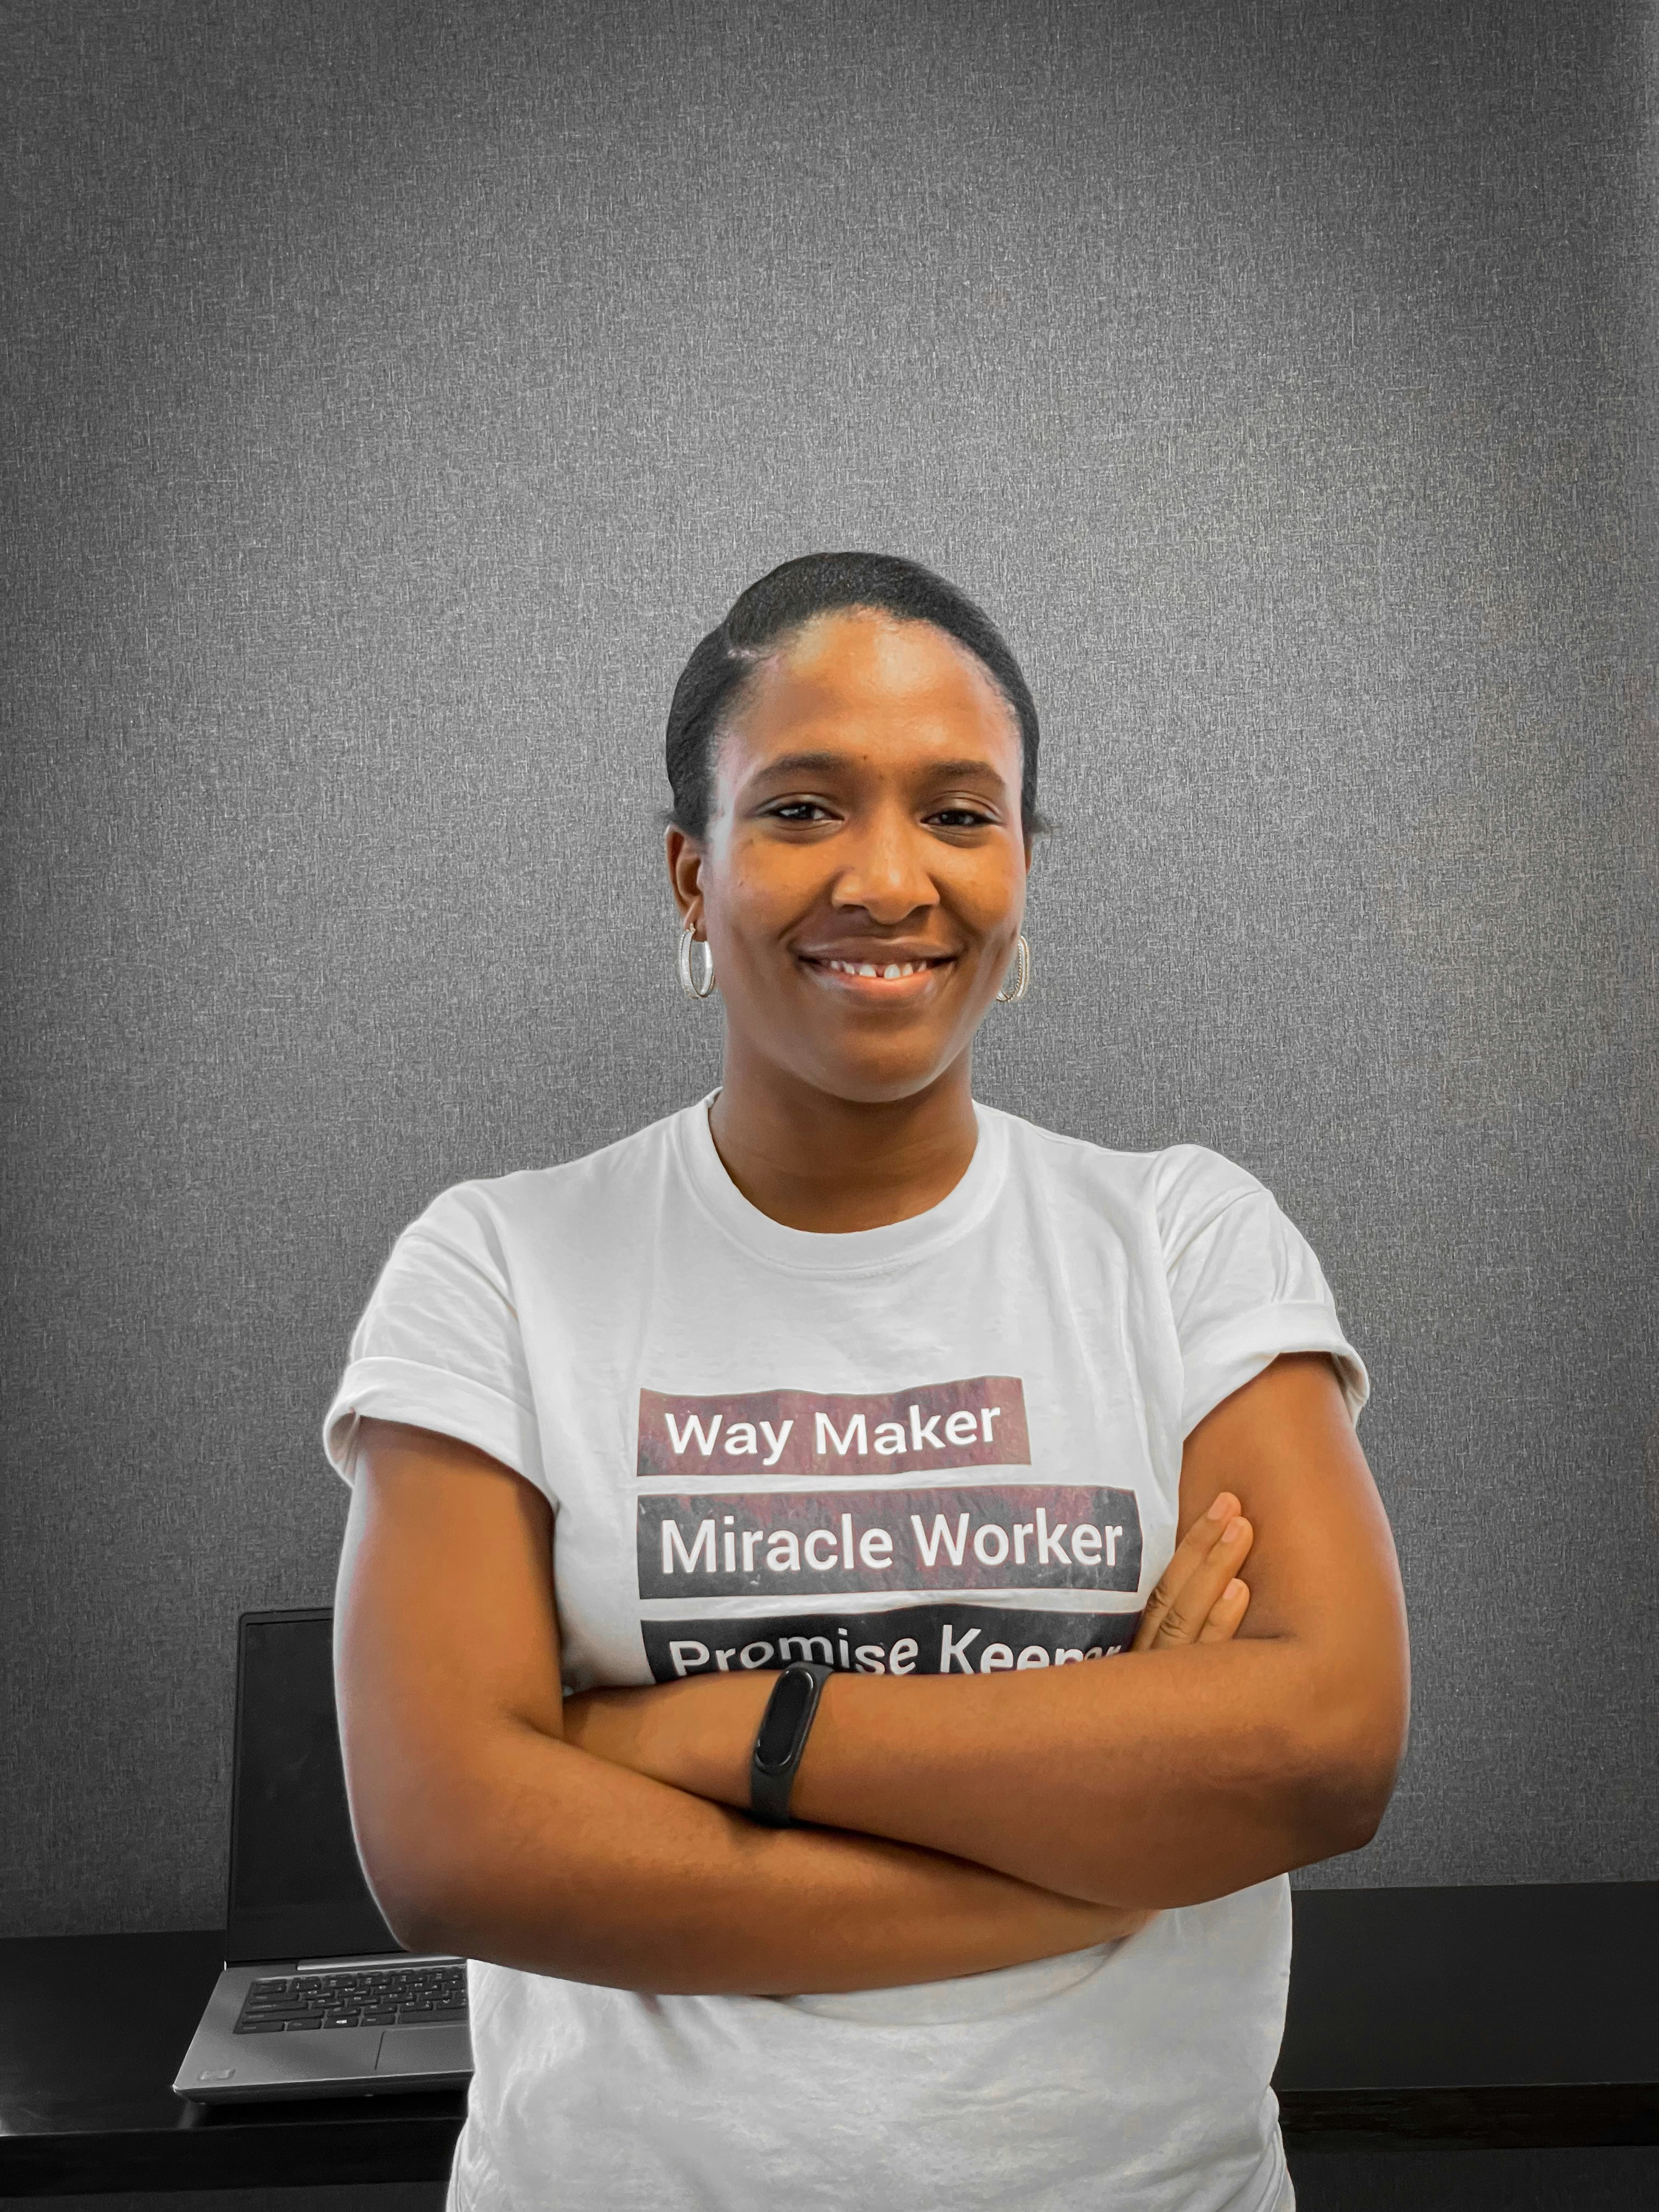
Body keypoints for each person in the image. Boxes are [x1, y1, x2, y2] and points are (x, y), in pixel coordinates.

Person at [324, 550, 1410, 2212]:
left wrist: (714, 1733)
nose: (888, 878)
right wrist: (1077, 1860)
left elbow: (1324, 1746)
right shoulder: (499, 1269)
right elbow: (452, 1844)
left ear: (1025, 869)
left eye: (961, 814)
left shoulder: (1187, 1240)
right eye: (805, 809)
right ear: (694, 878)